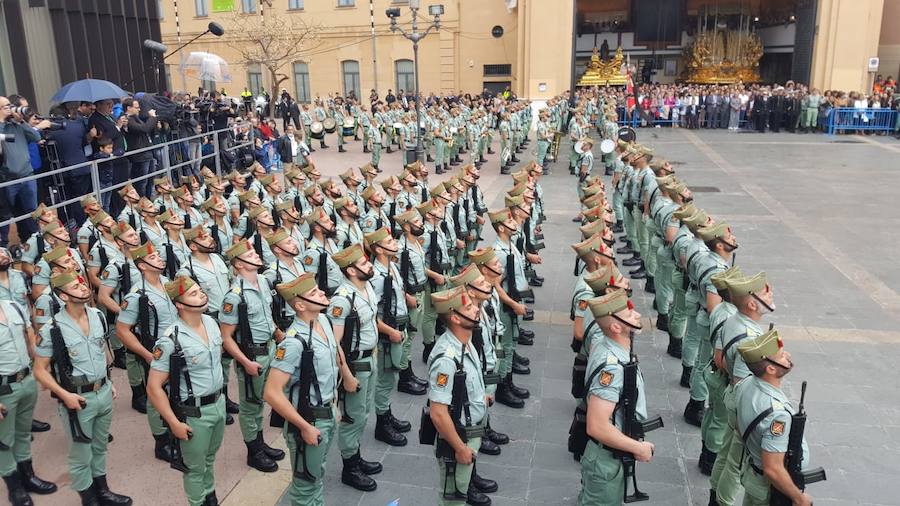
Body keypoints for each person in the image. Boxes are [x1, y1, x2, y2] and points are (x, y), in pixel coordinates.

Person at [33, 271, 133, 506]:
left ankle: (103, 491)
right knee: (80, 454)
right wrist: (64, 394)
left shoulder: (97, 315)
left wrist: (108, 381)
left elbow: (103, 350)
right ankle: (88, 499)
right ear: (63, 295)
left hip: (103, 392)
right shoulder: (52, 329)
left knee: (99, 447)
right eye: (75, 287)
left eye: (82, 284)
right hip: (77, 398)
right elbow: (39, 370)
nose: (83, 288)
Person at [146, 276, 226, 506]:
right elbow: (154, 387)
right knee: (193, 467)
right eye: (193, 294)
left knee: (209, 459)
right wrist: (173, 422)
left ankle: (210, 496)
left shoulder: (211, 323)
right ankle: (198, 501)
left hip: (217, 404)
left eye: (200, 290)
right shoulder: (171, 339)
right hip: (194, 413)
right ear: (179, 304)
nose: (201, 295)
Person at [264, 273, 340, 505]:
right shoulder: (293, 343)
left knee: (316, 478)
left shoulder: (323, 322)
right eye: (314, 293)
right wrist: (304, 426)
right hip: (310, 420)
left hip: (326, 413)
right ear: (299, 305)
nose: (322, 293)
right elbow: (271, 392)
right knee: (305, 488)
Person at [577, 289, 655, 505]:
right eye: (629, 314)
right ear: (616, 327)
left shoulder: (606, 344)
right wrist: (638, 447)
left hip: (608, 456)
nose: (637, 314)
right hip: (606, 460)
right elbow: (597, 426)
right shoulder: (613, 368)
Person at [219, 240, 286, 472]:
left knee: (261, 402)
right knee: (251, 405)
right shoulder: (234, 296)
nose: (256, 255)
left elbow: (267, 315)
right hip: (252, 355)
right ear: (238, 264)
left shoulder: (264, 283)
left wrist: (278, 333)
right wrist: (245, 361)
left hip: (269, 349)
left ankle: (260, 443)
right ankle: (253, 451)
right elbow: (226, 337)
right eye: (250, 254)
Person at [426, 286, 495, 506]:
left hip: (469, 431)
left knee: (461, 492)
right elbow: (438, 413)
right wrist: (460, 448)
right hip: (458, 437)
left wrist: (479, 398)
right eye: (468, 307)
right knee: (453, 499)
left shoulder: (465, 342)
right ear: (455, 318)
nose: (475, 309)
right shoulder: (447, 358)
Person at [735, 329, 813, 506]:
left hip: (754, 476)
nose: (788, 355)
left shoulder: (746, 383)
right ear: (770, 368)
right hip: (770, 489)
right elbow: (773, 468)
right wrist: (799, 498)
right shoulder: (777, 414)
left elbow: (737, 426)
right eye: (781, 356)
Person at [327, 244, 382, 492]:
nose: (369, 264)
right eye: (363, 262)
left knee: (364, 412)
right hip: (355, 364)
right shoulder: (342, 299)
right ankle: (350, 468)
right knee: (353, 416)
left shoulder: (366, 287)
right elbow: (335, 343)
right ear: (351, 270)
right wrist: (346, 375)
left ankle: (356, 456)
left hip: (369, 358)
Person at [0, 295, 57, 506]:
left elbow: (29, 336)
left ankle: (28, 476)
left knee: (23, 433)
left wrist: (40, 369)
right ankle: (15, 488)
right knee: (4, 441)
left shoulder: (13, 306)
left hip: (26, 380)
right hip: (3, 388)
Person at [366, 228, 418, 448]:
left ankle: (387, 413)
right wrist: (389, 331)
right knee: (385, 380)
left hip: (397, 328)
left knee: (390, 378)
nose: (394, 242)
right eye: (388, 241)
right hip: (388, 334)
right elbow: (371, 313)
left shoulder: (392, 267)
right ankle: (382, 423)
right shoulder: (376, 277)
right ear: (378, 249)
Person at [0, 96, 52, 247]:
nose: (10, 109)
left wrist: (21, 121)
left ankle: (34, 244)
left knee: (31, 213)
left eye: (10, 106)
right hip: (7, 179)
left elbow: (35, 136)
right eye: (6, 107)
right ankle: (4, 250)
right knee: (5, 217)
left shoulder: (17, 125)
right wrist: (2, 121)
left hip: (27, 176)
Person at [122, 98, 158, 198]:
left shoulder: (136, 118)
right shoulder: (127, 119)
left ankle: (149, 200)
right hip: (139, 156)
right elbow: (144, 129)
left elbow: (147, 130)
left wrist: (155, 124)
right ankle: (142, 204)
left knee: (150, 181)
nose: (139, 110)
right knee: (141, 183)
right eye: (137, 107)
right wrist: (152, 118)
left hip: (147, 152)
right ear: (129, 108)